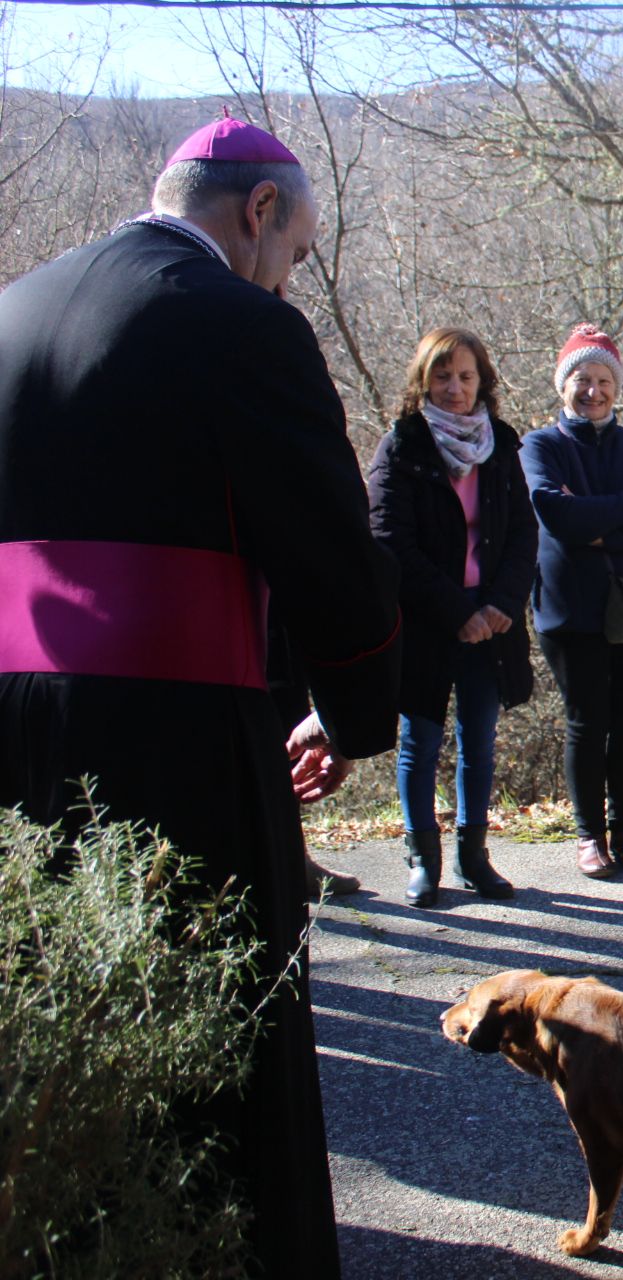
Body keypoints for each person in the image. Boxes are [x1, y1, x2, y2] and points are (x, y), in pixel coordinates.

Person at [0, 112, 401, 1276]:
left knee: (58, 999)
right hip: (173, 739)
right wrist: (353, 703)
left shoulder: (15, 305)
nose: (295, 271)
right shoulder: (241, 326)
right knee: (218, 1031)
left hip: (14, 741)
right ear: (258, 210)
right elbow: (332, 553)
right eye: (300, 246)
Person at [368, 327, 537, 907]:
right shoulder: (401, 446)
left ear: (481, 381)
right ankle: (423, 861)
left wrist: (499, 606)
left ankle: (474, 857)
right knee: (419, 742)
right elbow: (390, 542)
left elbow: (522, 534)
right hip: (426, 624)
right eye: (443, 376)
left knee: (479, 742)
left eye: (466, 377)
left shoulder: (502, 445)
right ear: (423, 381)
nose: (455, 388)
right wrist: (454, 612)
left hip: (491, 625)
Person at [520, 325, 623, 878]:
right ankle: (589, 836)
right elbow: (556, 515)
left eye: (604, 380)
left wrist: (600, 525)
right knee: (587, 723)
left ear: (617, 386)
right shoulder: (541, 446)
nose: (593, 391)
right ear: (563, 385)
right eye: (582, 380)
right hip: (571, 610)